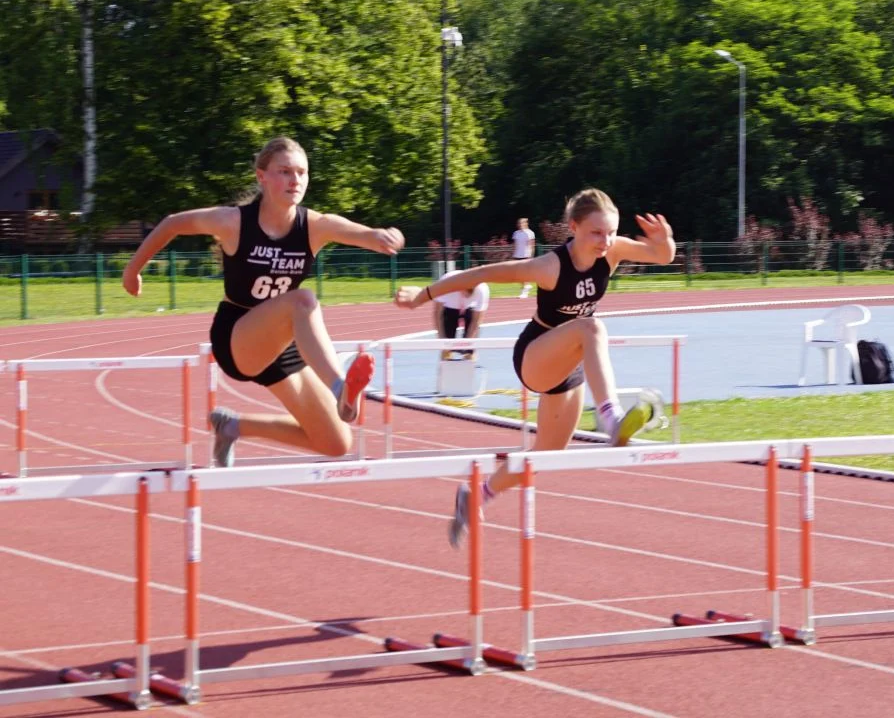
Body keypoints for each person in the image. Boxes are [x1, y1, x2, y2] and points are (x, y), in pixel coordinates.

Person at [394, 188, 674, 547]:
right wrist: (423, 296)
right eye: (596, 233)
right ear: (573, 227)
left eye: (610, 232)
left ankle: (476, 495)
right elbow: (481, 273)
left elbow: (662, 257)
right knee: (592, 326)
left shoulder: (614, 250)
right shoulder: (549, 267)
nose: (605, 241)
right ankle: (610, 417)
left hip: (570, 362)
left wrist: (663, 241)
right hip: (535, 357)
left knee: (547, 455)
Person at [121, 137, 405, 467]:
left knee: (336, 442)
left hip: (281, 343)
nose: (295, 180)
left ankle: (232, 426)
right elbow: (172, 223)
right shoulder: (232, 222)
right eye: (284, 172)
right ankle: (340, 385)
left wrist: (384, 236)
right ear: (262, 177)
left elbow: (363, 234)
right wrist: (132, 271)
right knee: (303, 300)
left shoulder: (314, 226)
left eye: (301, 172)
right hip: (237, 337)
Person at [432, 271, 490, 360]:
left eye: (470, 293)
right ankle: (446, 356)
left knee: (471, 340)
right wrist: (442, 339)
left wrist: (467, 343)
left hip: (471, 308)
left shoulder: (482, 289)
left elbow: (476, 321)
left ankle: (469, 355)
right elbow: (437, 314)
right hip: (449, 306)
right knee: (447, 330)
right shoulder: (444, 284)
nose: (467, 296)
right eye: (465, 292)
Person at [511, 217, 536, 297]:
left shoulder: (530, 233)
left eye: (522, 223)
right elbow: (515, 245)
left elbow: (532, 246)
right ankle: (526, 286)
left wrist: (531, 256)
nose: (520, 225)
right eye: (519, 223)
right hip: (517, 255)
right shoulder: (516, 233)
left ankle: (524, 291)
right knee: (518, 275)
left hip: (526, 255)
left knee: (524, 274)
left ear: (526, 224)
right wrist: (513, 255)